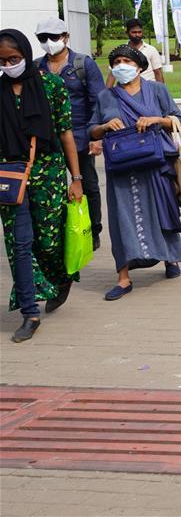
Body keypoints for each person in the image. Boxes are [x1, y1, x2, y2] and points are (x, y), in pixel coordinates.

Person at [1, 29, 84, 342]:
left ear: (24, 54)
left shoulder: (51, 85)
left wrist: (76, 179)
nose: (9, 65)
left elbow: (65, 134)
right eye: (2, 61)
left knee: (48, 243)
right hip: (9, 177)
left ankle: (61, 279)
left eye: (14, 58)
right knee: (20, 245)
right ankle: (29, 311)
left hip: (47, 174)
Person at [89, 45, 181, 301]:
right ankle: (123, 277)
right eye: (117, 61)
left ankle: (169, 258)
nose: (122, 65)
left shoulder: (157, 90)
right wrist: (104, 126)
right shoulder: (106, 97)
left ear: (140, 66)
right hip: (121, 166)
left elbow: (178, 120)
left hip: (155, 162)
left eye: (127, 61)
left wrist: (155, 119)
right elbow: (91, 130)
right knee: (121, 219)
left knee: (161, 210)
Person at [35, 17, 105, 250]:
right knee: (49, 187)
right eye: (43, 38)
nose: (49, 42)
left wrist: (96, 138)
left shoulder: (83, 65)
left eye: (53, 37)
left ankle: (93, 230)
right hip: (48, 141)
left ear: (65, 37)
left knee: (88, 185)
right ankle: (56, 232)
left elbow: (98, 101)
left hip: (80, 137)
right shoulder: (36, 68)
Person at [105, 19, 163, 85]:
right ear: (127, 32)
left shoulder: (151, 50)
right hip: (127, 89)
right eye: (134, 32)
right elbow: (112, 73)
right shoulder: (121, 51)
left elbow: (157, 72)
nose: (137, 35)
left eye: (139, 32)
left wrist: (162, 92)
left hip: (148, 89)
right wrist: (106, 93)